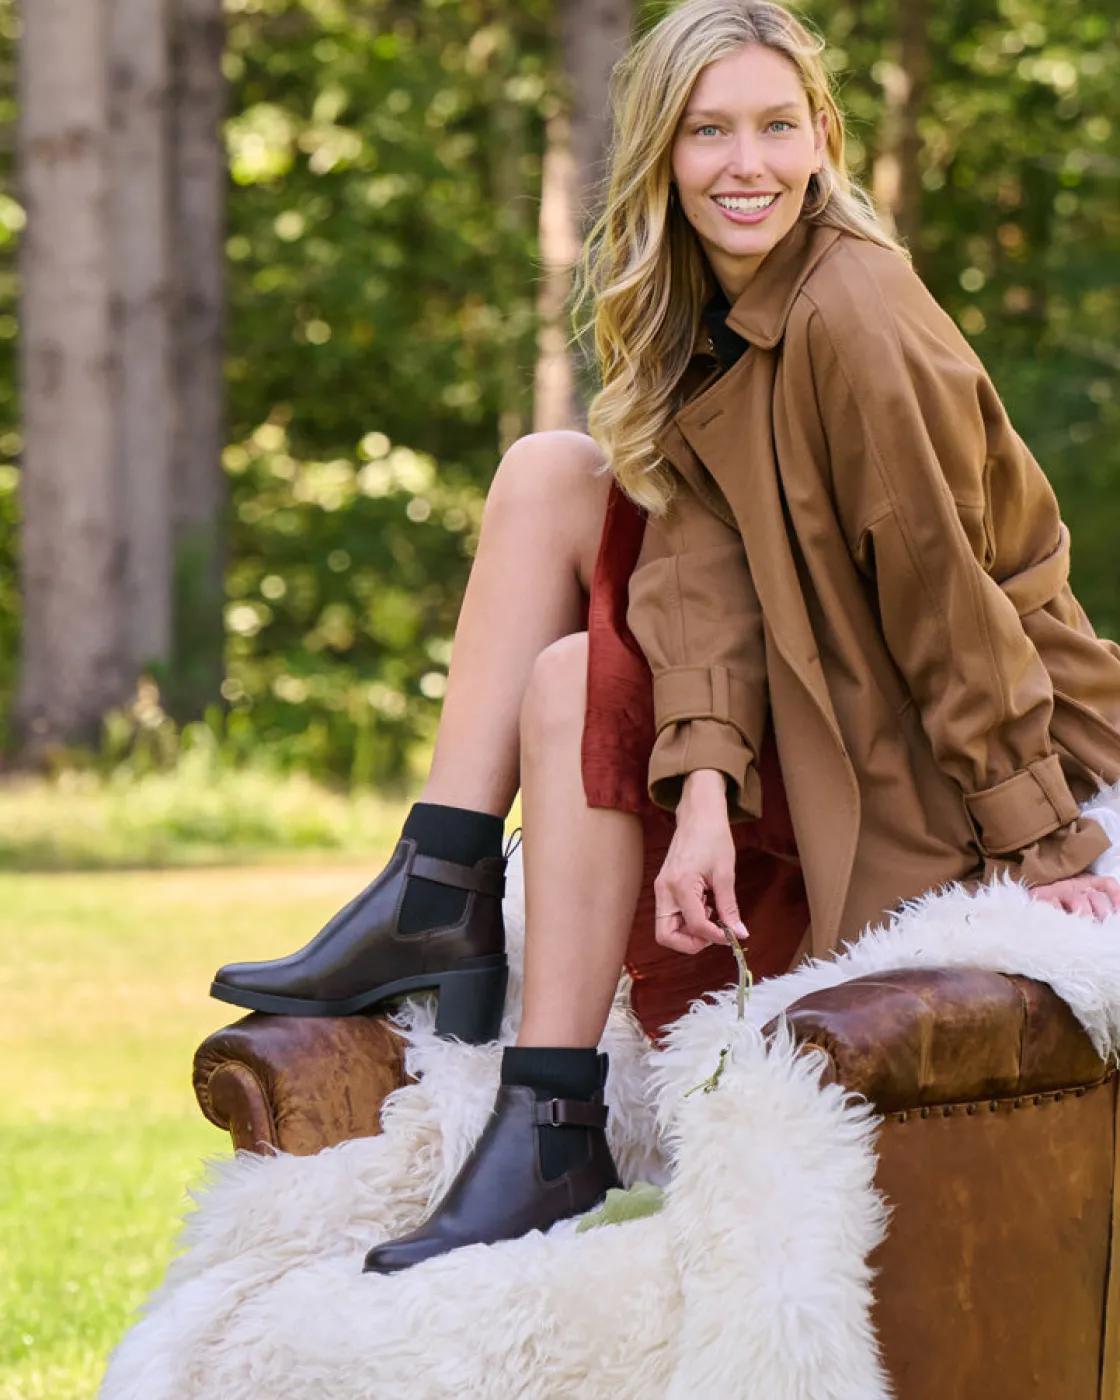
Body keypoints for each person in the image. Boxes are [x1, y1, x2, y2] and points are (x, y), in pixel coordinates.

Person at [210, 0, 1120, 1272]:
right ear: (662, 151)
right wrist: (698, 783)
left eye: (776, 126)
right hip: (797, 679)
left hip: (913, 736)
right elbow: (700, 570)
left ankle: (547, 1113)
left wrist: (1042, 831)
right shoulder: (696, 306)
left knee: (573, 678)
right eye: (709, 131)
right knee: (546, 472)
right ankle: (440, 886)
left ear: (822, 138)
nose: (746, 164)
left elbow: (942, 596)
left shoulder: (854, 309)